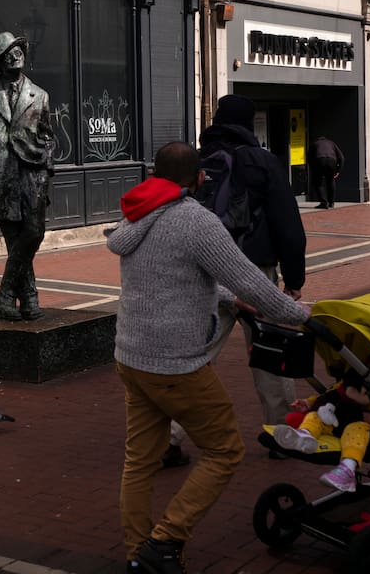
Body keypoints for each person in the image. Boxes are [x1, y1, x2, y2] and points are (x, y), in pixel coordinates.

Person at [107, 141, 312, 574]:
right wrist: (301, 316)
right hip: (176, 363)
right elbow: (251, 279)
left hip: (132, 355)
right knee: (224, 450)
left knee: (140, 461)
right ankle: (166, 541)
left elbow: (168, 275)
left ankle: (137, 554)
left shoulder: (138, 214)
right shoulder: (197, 222)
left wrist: (228, 298)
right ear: (200, 179)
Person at [198, 94, 307, 430]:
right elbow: (288, 224)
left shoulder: (199, 160)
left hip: (209, 271)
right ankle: (282, 429)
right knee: (270, 350)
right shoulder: (264, 161)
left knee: (197, 353)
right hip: (254, 271)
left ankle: (169, 434)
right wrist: (294, 279)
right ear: (248, 122)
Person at [0, 31, 55, 321]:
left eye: (18, 48)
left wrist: (47, 166)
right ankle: (30, 298)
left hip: (32, 174)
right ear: (1, 60)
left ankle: (6, 292)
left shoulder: (40, 95)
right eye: (9, 51)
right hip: (0, 175)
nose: (16, 54)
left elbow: (48, 136)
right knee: (13, 240)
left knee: (34, 232)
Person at [272, 371, 370, 493]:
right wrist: (308, 403)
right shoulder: (353, 376)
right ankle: (305, 435)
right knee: (314, 415)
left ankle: (347, 468)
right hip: (334, 420)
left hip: (357, 424)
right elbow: (330, 395)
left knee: (355, 430)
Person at [306, 135, 344, 209]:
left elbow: (308, 157)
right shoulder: (331, 143)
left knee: (318, 182)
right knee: (330, 181)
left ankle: (324, 203)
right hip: (332, 161)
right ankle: (331, 203)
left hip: (319, 160)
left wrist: (313, 168)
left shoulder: (315, 144)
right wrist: (338, 171)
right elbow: (341, 157)